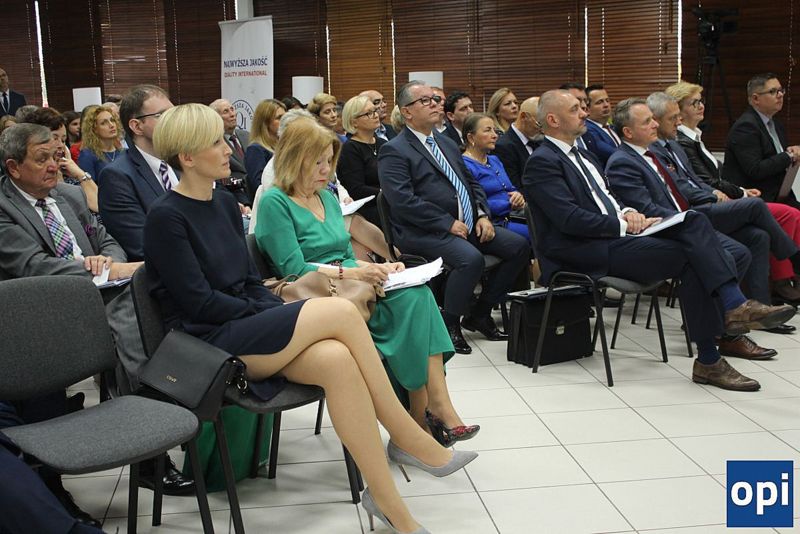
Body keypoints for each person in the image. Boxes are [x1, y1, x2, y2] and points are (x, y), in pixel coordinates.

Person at [146, 103, 477, 533]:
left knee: (337, 359)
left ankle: (389, 504)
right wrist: (279, 314)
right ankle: (406, 433)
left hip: (244, 325)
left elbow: (250, 283)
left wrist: (275, 313)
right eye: (215, 142)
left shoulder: (224, 203)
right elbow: (200, 306)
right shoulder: (166, 217)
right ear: (187, 157)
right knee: (338, 310)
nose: (228, 148)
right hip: (209, 341)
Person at [523, 90, 795, 391]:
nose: (584, 113)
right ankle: (722, 333)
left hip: (613, 236)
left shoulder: (583, 154)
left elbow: (607, 198)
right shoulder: (542, 162)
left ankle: (721, 334)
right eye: (576, 109)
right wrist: (623, 224)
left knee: (693, 222)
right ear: (553, 120)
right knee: (693, 251)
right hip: (581, 250)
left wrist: (629, 212)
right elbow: (569, 220)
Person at [256, 118, 477, 442]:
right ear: (294, 159)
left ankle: (428, 413)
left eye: (329, 161)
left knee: (418, 294)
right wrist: (357, 272)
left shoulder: (326, 198)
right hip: (319, 296)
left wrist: (383, 267)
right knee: (415, 310)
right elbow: (296, 269)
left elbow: (344, 254)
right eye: (317, 162)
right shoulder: (275, 202)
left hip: (352, 285)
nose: (326, 170)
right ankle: (426, 417)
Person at [606, 96, 795, 357]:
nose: (655, 124)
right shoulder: (623, 161)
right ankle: (726, 326)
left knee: (744, 248)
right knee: (740, 228)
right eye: (647, 121)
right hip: (666, 228)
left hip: (688, 220)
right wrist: (687, 217)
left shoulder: (653, 154)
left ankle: (729, 323)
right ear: (628, 132)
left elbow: (685, 186)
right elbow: (648, 209)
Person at [379, 81, 530, 354]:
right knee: (470, 259)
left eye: (436, 99)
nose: (435, 104)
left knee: (519, 246)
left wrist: (482, 215)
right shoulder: (394, 150)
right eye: (425, 101)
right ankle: (449, 324)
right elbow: (402, 201)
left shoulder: (447, 143)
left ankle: (480, 313)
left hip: (467, 225)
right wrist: (446, 222)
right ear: (407, 111)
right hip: (423, 231)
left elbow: (472, 184)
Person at [668, 80, 800, 305]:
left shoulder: (695, 137)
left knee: (760, 235)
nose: (701, 106)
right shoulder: (682, 142)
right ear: (678, 112)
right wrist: (739, 193)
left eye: (701, 101)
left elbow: (712, 178)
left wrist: (740, 191)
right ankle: (789, 267)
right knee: (782, 212)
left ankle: (761, 305)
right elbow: (705, 182)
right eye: (694, 103)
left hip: (722, 199)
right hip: (703, 208)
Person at [0, 123, 140, 282]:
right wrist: (107, 273)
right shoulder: (4, 206)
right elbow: (34, 265)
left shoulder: (71, 194)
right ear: (13, 167)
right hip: (50, 293)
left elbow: (107, 242)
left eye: (55, 157)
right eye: (42, 160)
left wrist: (109, 262)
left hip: (106, 286)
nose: (54, 167)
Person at [98, 84, 177, 262]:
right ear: (137, 126)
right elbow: (142, 245)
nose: (174, 121)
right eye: (162, 115)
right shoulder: (117, 177)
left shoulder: (182, 162)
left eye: (173, 114)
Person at [724, 73, 800, 208]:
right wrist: (788, 156)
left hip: (779, 196)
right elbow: (756, 170)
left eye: (781, 90)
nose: (780, 95)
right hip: (756, 200)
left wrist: (791, 153)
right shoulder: (746, 126)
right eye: (773, 91)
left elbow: (776, 162)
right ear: (755, 99)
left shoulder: (776, 124)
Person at [462, 113, 528, 241]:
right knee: (540, 235)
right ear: (471, 137)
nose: (495, 135)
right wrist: (508, 205)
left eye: (495, 130)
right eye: (487, 130)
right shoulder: (464, 165)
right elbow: (474, 203)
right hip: (494, 222)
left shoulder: (494, 159)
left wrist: (517, 196)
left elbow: (510, 188)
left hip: (515, 215)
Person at [337, 94, 385, 226]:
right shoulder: (350, 149)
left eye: (375, 111)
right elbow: (356, 189)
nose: (375, 115)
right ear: (354, 122)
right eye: (368, 113)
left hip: (390, 202)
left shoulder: (383, 144)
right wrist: (388, 193)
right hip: (369, 210)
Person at [209, 98, 251, 207]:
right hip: (235, 196)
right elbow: (221, 180)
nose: (232, 114)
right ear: (216, 118)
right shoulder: (213, 143)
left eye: (232, 109)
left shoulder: (247, 136)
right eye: (226, 111)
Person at [493, 96, 541, 189]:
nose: (542, 130)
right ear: (523, 117)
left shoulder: (540, 141)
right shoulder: (503, 147)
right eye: (539, 124)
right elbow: (514, 187)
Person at [244, 98, 286, 204]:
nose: (285, 121)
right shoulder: (255, 150)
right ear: (265, 122)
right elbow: (259, 186)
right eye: (279, 118)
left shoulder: (283, 146)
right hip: (271, 203)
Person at [76, 105, 124, 181]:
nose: (111, 125)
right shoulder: (87, 155)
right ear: (94, 129)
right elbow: (88, 185)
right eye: (103, 123)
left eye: (112, 120)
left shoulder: (123, 152)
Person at [583, 84, 620, 166]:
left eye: (607, 100)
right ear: (587, 109)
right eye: (599, 102)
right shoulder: (587, 130)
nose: (606, 105)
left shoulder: (613, 127)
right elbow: (613, 154)